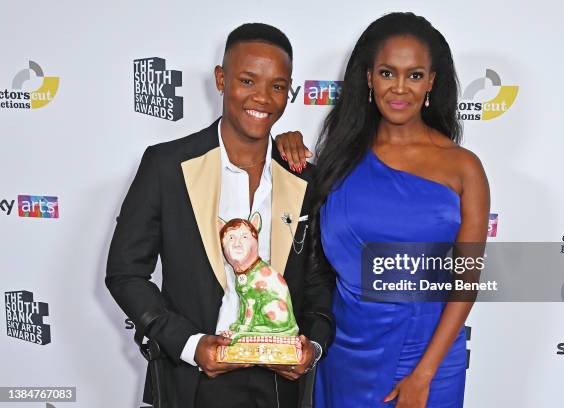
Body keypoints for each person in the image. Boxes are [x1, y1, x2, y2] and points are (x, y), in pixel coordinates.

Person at [106, 23, 335, 408]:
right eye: (248, 80)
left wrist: (311, 345)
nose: (262, 97)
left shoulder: (304, 178)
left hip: (280, 389)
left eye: (277, 86)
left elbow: (318, 284)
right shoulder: (167, 165)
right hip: (191, 383)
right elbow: (125, 272)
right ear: (221, 79)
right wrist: (190, 345)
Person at [275, 12, 489, 408]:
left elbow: (467, 281)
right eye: (388, 73)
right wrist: (282, 144)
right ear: (369, 78)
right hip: (346, 351)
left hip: (428, 359)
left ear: (432, 82)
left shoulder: (464, 168)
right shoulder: (339, 158)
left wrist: (423, 375)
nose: (400, 88)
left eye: (415, 74)